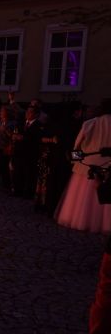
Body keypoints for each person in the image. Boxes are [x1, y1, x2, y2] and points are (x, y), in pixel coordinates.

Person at [55, 98, 111, 233]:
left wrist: (75, 161)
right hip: (108, 166)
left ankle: (81, 220)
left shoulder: (90, 124)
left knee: (83, 199)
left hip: (87, 166)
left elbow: (77, 147)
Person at [11, 107, 44, 198]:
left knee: (29, 173)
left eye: (30, 112)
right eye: (27, 111)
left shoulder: (38, 125)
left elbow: (37, 139)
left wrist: (23, 138)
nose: (27, 113)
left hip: (30, 153)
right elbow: (16, 133)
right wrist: (14, 136)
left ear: (36, 114)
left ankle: (28, 193)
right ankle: (17, 190)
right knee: (18, 171)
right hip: (19, 152)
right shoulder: (22, 123)